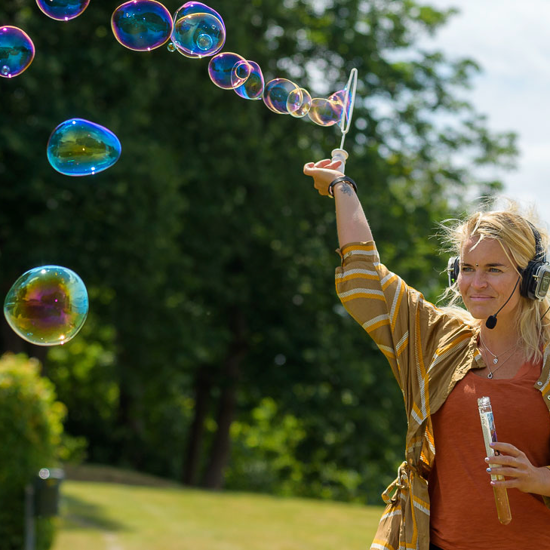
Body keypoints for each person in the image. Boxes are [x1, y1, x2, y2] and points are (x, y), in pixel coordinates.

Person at [303, 158, 550, 550]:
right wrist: (342, 187)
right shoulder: (439, 339)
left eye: (494, 269)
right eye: (467, 269)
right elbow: (369, 276)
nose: (476, 284)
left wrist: (540, 479)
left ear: (533, 277)